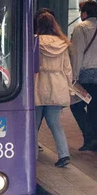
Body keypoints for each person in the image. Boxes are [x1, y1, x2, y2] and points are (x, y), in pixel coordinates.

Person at [69, 0, 97, 152]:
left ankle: (90, 139)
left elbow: (77, 53)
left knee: (76, 105)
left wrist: (74, 76)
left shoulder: (80, 28)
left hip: (88, 74)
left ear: (85, 13)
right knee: (95, 108)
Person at [34, 11, 72, 168]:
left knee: (33, 124)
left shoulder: (35, 41)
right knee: (55, 123)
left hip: (38, 83)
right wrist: (69, 89)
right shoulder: (62, 43)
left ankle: (32, 155)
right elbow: (67, 69)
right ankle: (64, 154)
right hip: (57, 84)